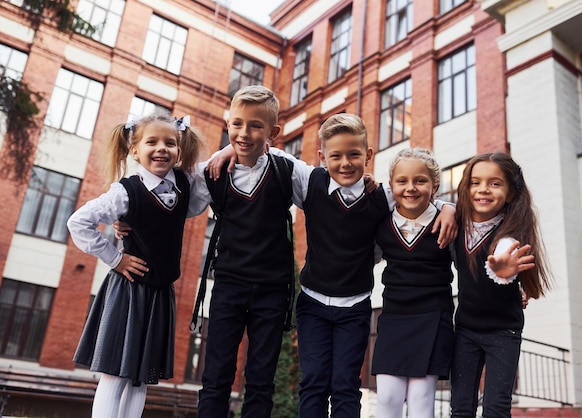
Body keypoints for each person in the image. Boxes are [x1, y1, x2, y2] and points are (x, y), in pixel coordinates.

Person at [208, 113, 457, 417]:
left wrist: (448, 207)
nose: (346, 163)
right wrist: (230, 149)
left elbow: (419, 195)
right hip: (313, 304)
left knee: (345, 384)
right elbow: (268, 152)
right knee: (313, 382)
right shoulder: (308, 181)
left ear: (367, 156)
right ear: (322, 157)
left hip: (355, 307)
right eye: (336, 156)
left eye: (354, 155)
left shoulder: (382, 196)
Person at [67, 112, 207, 418]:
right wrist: (115, 259)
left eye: (170, 143)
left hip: (160, 294)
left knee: (141, 378)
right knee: (115, 375)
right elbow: (78, 222)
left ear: (179, 150)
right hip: (128, 291)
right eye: (151, 142)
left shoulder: (186, 186)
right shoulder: (126, 191)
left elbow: (210, 179)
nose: (161, 148)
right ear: (134, 150)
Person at [196, 85, 296, 418]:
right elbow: (163, 194)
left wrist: (442, 206)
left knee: (260, 382)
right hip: (228, 286)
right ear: (227, 124)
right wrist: (125, 221)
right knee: (215, 378)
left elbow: (332, 190)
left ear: (272, 132)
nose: (244, 133)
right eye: (237, 124)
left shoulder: (286, 170)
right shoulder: (212, 172)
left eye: (255, 125)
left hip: (272, 291)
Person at [449, 152, 552, 418]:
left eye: (495, 183)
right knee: (461, 407)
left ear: (510, 194)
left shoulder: (511, 236)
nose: (483, 189)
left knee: (496, 409)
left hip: (502, 332)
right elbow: (432, 205)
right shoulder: (456, 224)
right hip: (465, 329)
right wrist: (447, 209)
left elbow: (504, 259)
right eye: (475, 182)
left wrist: (503, 274)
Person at [372, 148, 455, 418]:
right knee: (386, 397)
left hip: (434, 315)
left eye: (420, 181)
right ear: (391, 185)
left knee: (421, 400)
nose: (411, 188)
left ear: (435, 186)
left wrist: (449, 208)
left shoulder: (448, 224)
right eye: (402, 181)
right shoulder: (379, 223)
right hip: (394, 316)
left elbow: (473, 265)